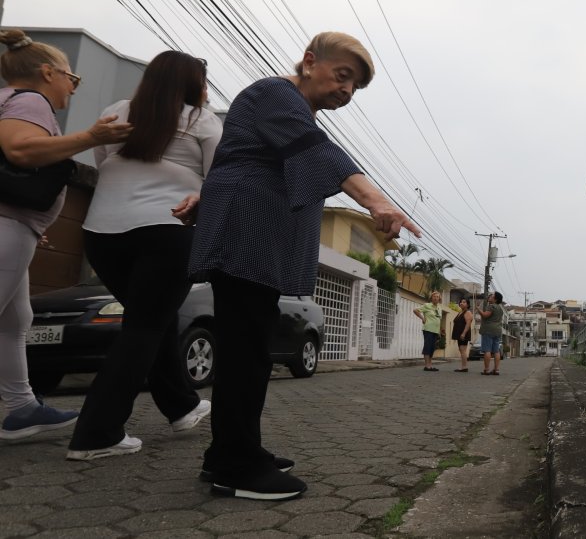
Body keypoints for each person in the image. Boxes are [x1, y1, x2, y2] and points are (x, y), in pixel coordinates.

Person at [187, 32, 419, 501]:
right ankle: (237, 465)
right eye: (343, 76)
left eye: (355, 87)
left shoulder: (294, 112)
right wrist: (377, 201)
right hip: (246, 234)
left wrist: (207, 195)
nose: (346, 91)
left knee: (248, 345)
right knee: (247, 350)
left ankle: (228, 452)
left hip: (255, 234)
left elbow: (248, 157)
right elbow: (316, 152)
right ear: (310, 62)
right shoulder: (276, 92)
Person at [65, 51, 222, 460]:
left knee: (154, 318)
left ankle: (182, 407)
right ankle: (97, 433)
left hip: (102, 233)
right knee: (144, 327)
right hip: (167, 230)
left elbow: (103, 161)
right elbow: (219, 178)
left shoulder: (117, 111)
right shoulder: (202, 120)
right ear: (193, 84)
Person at [0, 29, 132, 439]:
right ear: (47, 73)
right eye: (71, 79)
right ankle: (20, 406)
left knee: (14, 318)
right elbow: (20, 149)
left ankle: (20, 407)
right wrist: (92, 137)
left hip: (17, 223)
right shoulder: (31, 101)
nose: (72, 89)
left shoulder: (9, 100)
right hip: (7, 221)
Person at [414, 291, 448, 371]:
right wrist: (422, 318)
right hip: (428, 329)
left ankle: (430, 365)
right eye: (434, 296)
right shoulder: (427, 305)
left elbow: (438, 319)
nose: (436, 298)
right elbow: (415, 310)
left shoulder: (439, 307)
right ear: (431, 298)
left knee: (432, 348)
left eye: (437, 297)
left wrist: (440, 330)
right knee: (427, 347)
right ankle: (427, 366)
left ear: (439, 298)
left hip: (435, 331)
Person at [478, 291, 505, 376]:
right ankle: (496, 370)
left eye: (492, 296)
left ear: (495, 299)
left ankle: (486, 370)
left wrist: (478, 309)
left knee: (487, 350)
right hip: (497, 330)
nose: (490, 297)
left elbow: (485, 315)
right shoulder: (500, 308)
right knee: (496, 351)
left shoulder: (491, 306)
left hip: (488, 330)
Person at [450, 297, 473, 372]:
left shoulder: (467, 312)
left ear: (468, 304)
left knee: (463, 350)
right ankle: (463, 366)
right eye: (461, 302)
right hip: (459, 334)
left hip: (463, 334)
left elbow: (468, 324)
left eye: (464, 302)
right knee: (461, 350)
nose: (461, 303)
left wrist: (463, 333)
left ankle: (464, 367)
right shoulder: (460, 312)